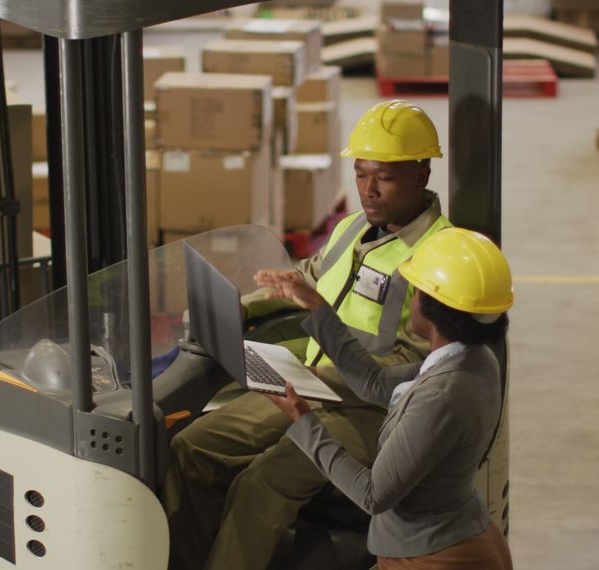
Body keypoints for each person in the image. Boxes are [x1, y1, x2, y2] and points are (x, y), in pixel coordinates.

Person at [163, 101, 452, 570]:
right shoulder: (354, 227)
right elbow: (308, 277)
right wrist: (240, 307)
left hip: (373, 412)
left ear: (422, 175)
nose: (368, 191)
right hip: (311, 384)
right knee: (192, 448)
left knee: (261, 485)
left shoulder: (437, 256)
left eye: (384, 177)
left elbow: (417, 372)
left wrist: (318, 376)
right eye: (360, 175)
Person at [258, 227, 514, 570]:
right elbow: (373, 382)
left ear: (435, 308)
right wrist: (316, 306)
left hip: (434, 558)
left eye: (417, 288)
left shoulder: (443, 396)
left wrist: (304, 422)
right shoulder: (474, 357)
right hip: (455, 541)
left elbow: (372, 493)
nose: (412, 293)